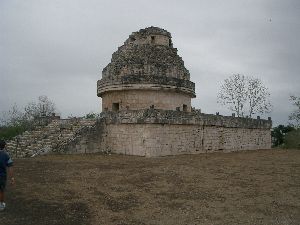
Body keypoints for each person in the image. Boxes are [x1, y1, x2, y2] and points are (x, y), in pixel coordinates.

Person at [0, 140, 14, 211]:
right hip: (2, 176)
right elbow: (10, 166)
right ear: (4, 146)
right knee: (1, 191)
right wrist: (12, 178)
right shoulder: (6, 155)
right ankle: (1, 205)